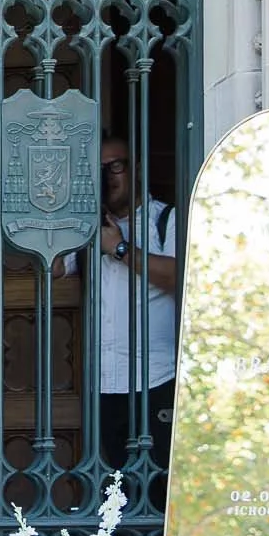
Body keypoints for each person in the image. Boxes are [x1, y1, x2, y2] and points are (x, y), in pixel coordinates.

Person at [59, 136, 181, 501]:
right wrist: (58, 214)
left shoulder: (166, 219)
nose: (108, 177)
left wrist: (121, 248)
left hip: (156, 379)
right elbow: (48, 268)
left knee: (160, 490)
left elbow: (182, 276)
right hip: (103, 384)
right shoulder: (87, 229)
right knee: (114, 495)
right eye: (98, 170)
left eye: (116, 166)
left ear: (137, 169)